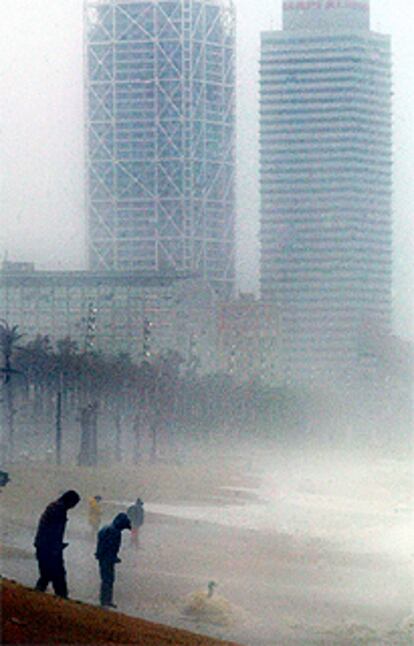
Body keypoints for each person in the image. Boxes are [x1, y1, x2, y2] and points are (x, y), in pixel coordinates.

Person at [34, 489, 80, 599]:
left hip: (44, 544)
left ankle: (39, 593)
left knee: (47, 573)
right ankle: (61, 596)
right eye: (74, 504)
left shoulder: (54, 507)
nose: (73, 507)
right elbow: (55, 530)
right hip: (49, 547)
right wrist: (56, 547)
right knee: (57, 573)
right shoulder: (59, 509)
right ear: (69, 501)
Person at [95, 512, 131, 608]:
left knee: (107, 579)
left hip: (103, 557)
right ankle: (105, 601)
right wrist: (113, 557)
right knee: (108, 579)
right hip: (106, 558)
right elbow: (110, 547)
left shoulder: (108, 528)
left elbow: (103, 545)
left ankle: (106, 600)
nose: (123, 529)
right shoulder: (114, 532)